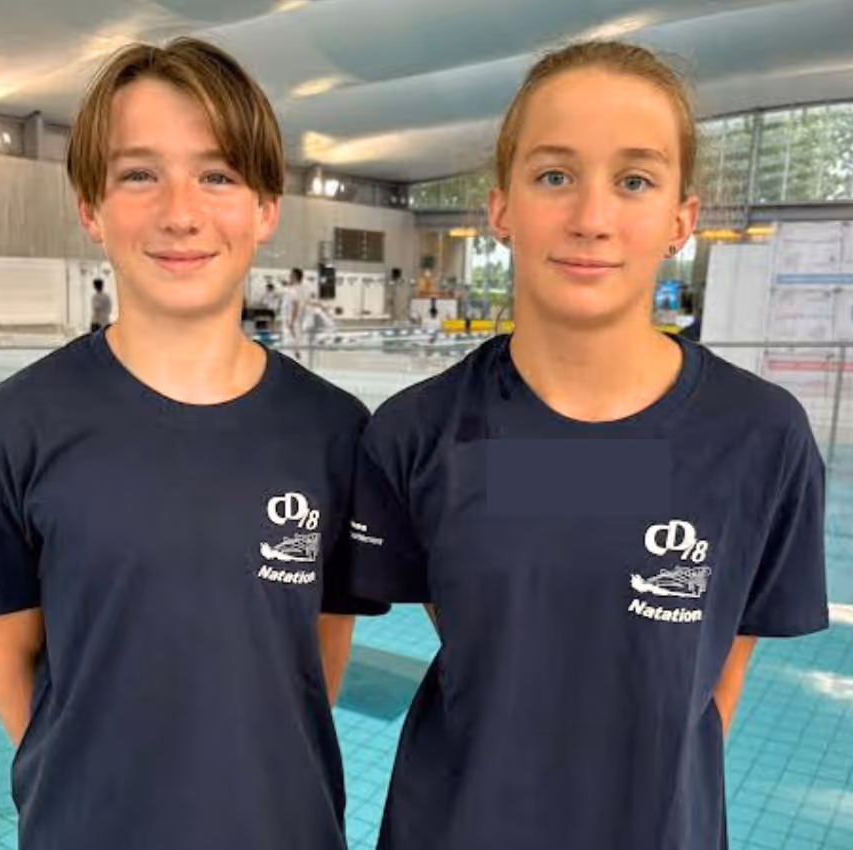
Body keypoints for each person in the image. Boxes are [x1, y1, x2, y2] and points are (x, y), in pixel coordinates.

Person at [347, 40, 827, 850]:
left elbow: (714, 675)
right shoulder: (416, 435)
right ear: (500, 207)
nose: (591, 218)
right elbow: (479, 631)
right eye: (554, 175)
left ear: (682, 218)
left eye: (634, 180)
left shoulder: (760, 439)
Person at [0, 37, 379, 850]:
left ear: (266, 208)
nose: (181, 211)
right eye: (140, 174)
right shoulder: (6, 432)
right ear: (90, 208)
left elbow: (314, 668)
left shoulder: (336, 434)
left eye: (218, 174)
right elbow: (14, 673)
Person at [279, 266, 304, 357]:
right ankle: (295, 353)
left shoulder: (296, 289)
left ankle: (296, 354)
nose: (289, 276)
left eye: (291, 275)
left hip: (291, 319)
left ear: (295, 276)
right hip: (286, 318)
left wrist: (292, 321)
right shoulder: (290, 288)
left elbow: (296, 306)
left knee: (291, 338)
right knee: (288, 339)